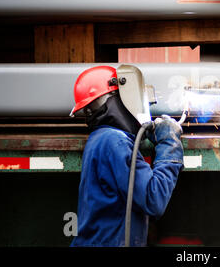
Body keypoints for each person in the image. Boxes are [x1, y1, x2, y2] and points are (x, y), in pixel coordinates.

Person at [69, 66, 184, 247]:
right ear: (120, 98)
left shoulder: (102, 139)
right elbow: (153, 200)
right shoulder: (115, 142)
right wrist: (169, 144)